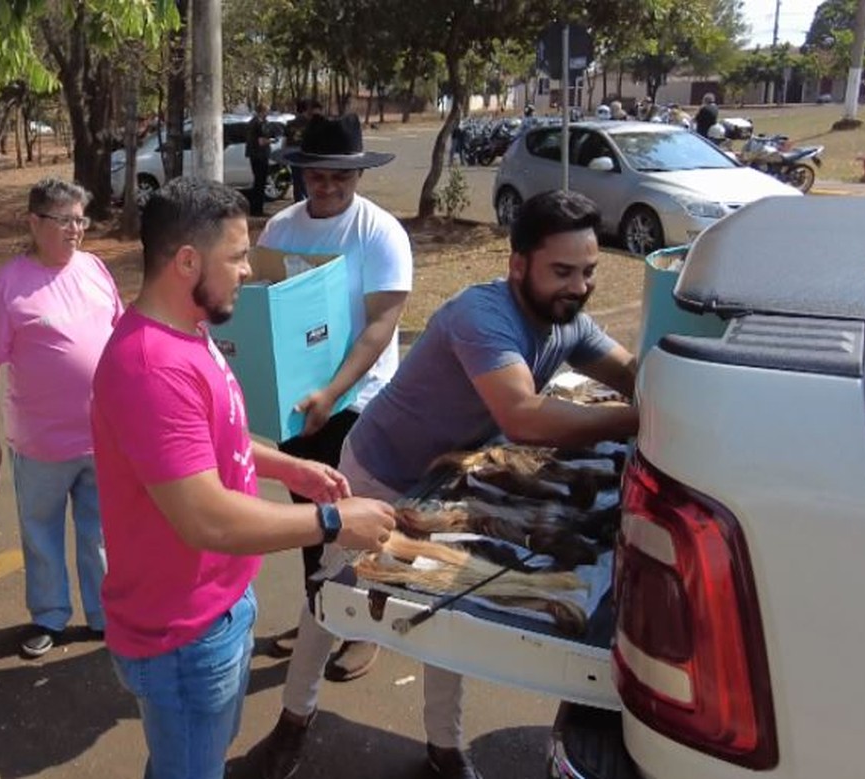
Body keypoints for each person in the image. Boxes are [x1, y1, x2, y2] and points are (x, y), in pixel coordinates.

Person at [260, 189, 639, 779]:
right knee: (330, 597)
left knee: (448, 610)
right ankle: (292, 720)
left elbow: (630, 372)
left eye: (588, 271)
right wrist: (640, 417)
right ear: (518, 266)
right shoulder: (481, 316)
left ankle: (444, 747)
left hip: (450, 478)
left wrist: (671, 384)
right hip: (381, 470)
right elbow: (525, 417)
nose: (579, 286)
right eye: (562, 271)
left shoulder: (569, 322)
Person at [90, 177, 396, 779]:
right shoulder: (153, 368)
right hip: (183, 632)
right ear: (186, 262)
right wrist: (332, 522)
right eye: (236, 256)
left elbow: (218, 442)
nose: (249, 270)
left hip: (218, 608)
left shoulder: (190, 332)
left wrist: (290, 467)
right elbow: (205, 517)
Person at [257, 112, 413, 682]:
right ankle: (320, 612)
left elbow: (380, 325)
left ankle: (365, 625)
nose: (327, 187)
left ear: (357, 176)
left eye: (338, 177)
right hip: (298, 404)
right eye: (316, 176)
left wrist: (333, 392)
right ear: (301, 174)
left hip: (357, 402)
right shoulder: (279, 229)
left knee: (355, 518)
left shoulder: (379, 233)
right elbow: (261, 306)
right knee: (312, 519)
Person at [0, 178, 123, 658]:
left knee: (100, 534)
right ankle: (49, 616)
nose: (76, 230)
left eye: (81, 219)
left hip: (102, 438)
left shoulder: (96, 268)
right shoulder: (8, 284)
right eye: (64, 220)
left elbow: (122, 342)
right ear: (34, 223)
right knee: (41, 535)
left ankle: (103, 617)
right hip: (39, 445)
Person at [283, 99, 314, 202]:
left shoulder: (290, 123)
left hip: (292, 154)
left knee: (297, 180)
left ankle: (298, 201)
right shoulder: (309, 123)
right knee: (306, 180)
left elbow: (285, 140)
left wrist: (284, 153)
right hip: (305, 154)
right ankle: (309, 200)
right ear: (306, 109)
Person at [245, 103, 273, 216]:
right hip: (260, 156)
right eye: (267, 111)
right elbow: (260, 141)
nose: (268, 113)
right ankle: (257, 210)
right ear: (263, 111)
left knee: (258, 182)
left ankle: (255, 208)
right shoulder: (258, 124)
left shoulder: (252, 122)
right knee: (260, 182)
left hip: (254, 155)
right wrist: (271, 140)